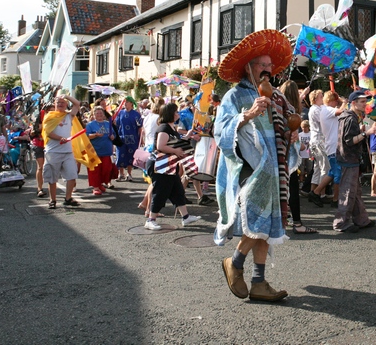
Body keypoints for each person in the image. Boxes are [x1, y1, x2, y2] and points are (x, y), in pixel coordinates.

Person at [215, 29, 296, 302]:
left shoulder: (276, 95)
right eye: (262, 65)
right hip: (249, 168)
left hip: (274, 169)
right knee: (258, 220)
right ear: (248, 67)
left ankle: (259, 282)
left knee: (269, 224)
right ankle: (235, 263)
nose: (267, 71)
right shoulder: (235, 96)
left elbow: (286, 123)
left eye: (270, 66)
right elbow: (220, 130)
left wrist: (291, 131)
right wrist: (248, 114)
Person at [144, 102, 201, 230]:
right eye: (175, 112)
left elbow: (174, 142)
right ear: (170, 114)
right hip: (159, 164)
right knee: (161, 191)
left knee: (178, 190)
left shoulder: (171, 128)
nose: (178, 114)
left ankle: (185, 217)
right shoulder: (164, 128)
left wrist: (187, 136)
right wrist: (176, 151)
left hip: (168, 164)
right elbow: (160, 146)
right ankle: (150, 219)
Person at [334, 90, 376, 233]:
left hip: (349, 157)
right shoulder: (350, 118)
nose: (365, 104)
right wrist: (365, 133)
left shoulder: (350, 116)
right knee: (348, 191)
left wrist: (361, 132)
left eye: (365, 101)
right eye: (362, 101)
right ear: (354, 103)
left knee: (355, 191)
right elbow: (349, 141)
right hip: (349, 158)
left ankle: (361, 219)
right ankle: (341, 223)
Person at [278, 80, 317, 235]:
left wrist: (305, 93)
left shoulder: (277, 107)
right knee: (292, 189)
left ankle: (281, 219)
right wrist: (299, 145)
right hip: (289, 155)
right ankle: (297, 223)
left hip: (278, 154)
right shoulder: (292, 111)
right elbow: (293, 138)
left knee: (280, 189)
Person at [42, 95, 82, 209]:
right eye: (58, 102)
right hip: (53, 152)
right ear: (54, 104)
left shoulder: (69, 116)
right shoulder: (49, 117)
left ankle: (68, 198)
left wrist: (67, 97)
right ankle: (52, 200)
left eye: (63, 102)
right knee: (52, 178)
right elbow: (48, 133)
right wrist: (60, 138)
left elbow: (77, 104)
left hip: (67, 151)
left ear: (66, 104)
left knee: (72, 175)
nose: (60, 104)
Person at [308, 91, 347, 206]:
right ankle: (334, 199)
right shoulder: (326, 109)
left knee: (330, 171)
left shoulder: (325, 109)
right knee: (335, 172)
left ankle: (316, 192)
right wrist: (344, 102)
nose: (337, 103)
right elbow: (341, 111)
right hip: (329, 144)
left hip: (330, 144)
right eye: (335, 101)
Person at [86, 106, 115, 196]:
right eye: (97, 113)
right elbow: (87, 136)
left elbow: (113, 134)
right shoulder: (90, 125)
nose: (99, 115)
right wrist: (95, 135)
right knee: (95, 170)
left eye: (101, 113)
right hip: (94, 151)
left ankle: (100, 183)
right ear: (94, 115)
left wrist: (112, 137)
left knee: (106, 169)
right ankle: (96, 187)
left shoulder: (107, 124)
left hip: (107, 151)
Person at [114, 96, 143, 182]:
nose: (125, 104)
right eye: (124, 102)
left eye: (127, 102)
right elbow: (117, 125)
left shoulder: (136, 114)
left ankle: (129, 174)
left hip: (133, 139)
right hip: (121, 137)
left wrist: (141, 139)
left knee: (131, 156)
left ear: (131, 103)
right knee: (120, 155)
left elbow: (140, 127)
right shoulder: (120, 113)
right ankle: (120, 174)